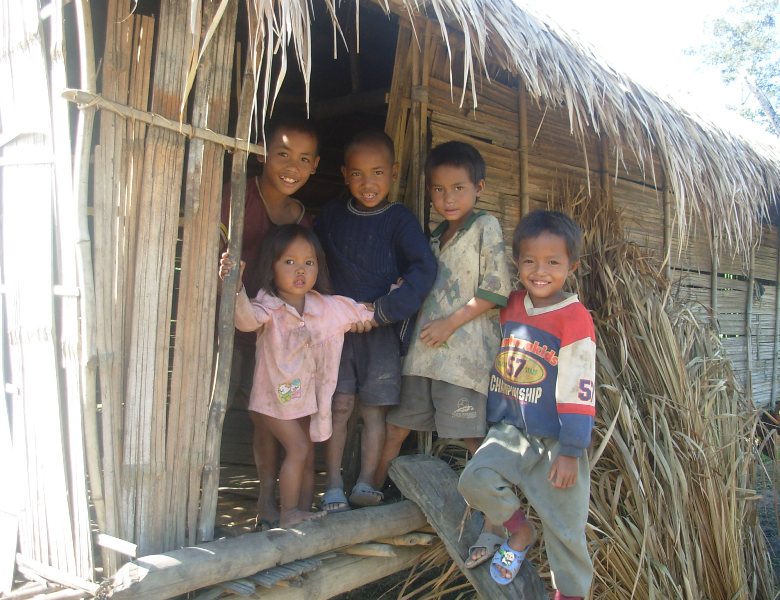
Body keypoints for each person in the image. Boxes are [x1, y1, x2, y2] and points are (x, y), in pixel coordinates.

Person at [457, 210, 596, 599]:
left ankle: (569, 595)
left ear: (572, 266)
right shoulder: (511, 304)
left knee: (566, 531)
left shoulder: (574, 318)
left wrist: (571, 451)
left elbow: (579, 386)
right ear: (517, 262)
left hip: (556, 441)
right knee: (474, 480)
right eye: (530, 261)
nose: (540, 271)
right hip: (510, 433)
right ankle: (519, 531)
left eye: (553, 262)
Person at [374, 141, 512, 489]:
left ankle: (496, 512)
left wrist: (450, 324)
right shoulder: (434, 237)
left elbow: (496, 290)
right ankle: (371, 491)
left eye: (458, 188)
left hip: (463, 359)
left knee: (470, 434)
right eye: (439, 189)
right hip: (423, 354)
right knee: (396, 426)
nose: (448, 198)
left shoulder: (485, 226)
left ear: (479, 188)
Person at [314, 130, 437, 512]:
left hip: (381, 333)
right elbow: (314, 263)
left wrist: (385, 310)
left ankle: (366, 483)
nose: (368, 183)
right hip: (337, 332)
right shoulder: (331, 217)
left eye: (378, 173)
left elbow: (423, 269)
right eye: (358, 174)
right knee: (338, 405)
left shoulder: (399, 220)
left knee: (374, 411)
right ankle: (333, 484)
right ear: (344, 174)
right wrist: (335, 309)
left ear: (394, 172)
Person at [219, 225, 375, 528]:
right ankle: (289, 512)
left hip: (303, 401)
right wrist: (234, 286)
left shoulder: (326, 307)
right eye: (289, 262)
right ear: (271, 267)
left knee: (306, 454)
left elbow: (365, 312)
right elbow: (245, 321)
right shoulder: (269, 306)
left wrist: (390, 300)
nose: (300, 270)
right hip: (271, 401)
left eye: (309, 262)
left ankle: (303, 512)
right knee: (299, 449)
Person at [220, 115, 320, 531]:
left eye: (304, 159)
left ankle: (270, 501)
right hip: (231, 325)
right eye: (282, 154)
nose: (292, 167)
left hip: (276, 337)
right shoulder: (236, 197)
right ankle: (259, 499)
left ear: (315, 165)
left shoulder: (302, 220)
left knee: (269, 415)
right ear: (262, 153)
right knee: (240, 412)